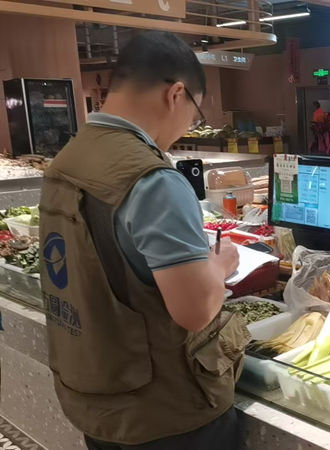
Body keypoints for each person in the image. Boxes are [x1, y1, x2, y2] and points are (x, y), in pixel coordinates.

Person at [39, 31, 246, 450]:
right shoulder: (152, 180)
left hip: (97, 398)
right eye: (194, 115)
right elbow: (194, 311)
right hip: (166, 415)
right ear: (176, 94)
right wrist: (221, 264)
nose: (188, 127)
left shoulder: (67, 160)